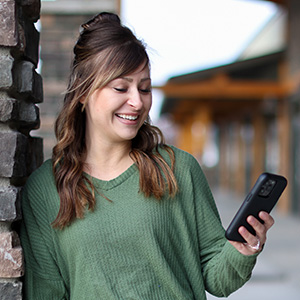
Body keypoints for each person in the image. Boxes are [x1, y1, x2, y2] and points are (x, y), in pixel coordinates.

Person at [20, 12, 274, 300]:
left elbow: (217, 278)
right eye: (121, 87)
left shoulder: (178, 169)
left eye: (144, 88)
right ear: (83, 91)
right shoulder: (45, 189)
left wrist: (243, 250)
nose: (137, 102)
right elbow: (45, 292)